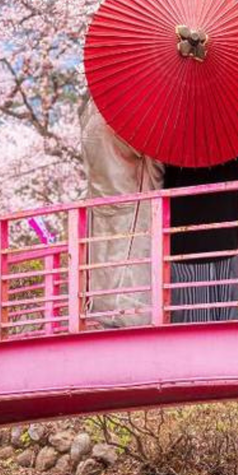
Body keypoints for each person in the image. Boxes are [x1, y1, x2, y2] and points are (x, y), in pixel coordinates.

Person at [79, 96, 164, 328]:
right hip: (131, 195)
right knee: (132, 262)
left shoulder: (91, 113)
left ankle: (100, 312)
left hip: (102, 197)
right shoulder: (126, 113)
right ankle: (130, 316)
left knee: (104, 260)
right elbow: (154, 153)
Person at [162, 150, 238, 323]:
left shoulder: (173, 141)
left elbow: (164, 184)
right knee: (230, 325)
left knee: (191, 327)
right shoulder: (236, 139)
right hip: (226, 238)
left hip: (185, 243)